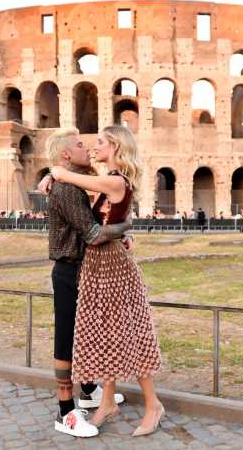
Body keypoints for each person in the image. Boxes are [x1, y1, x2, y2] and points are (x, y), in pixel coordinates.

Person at [49, 125, 164, 437]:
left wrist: (56, 172)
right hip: (99, 263)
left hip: (111, 264)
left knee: (124, 331)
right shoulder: (109, 180)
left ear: (114, 146)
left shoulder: (113, 180)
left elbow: (72, 180)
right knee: (107, 332)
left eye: (99, 142)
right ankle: (107, 402)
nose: (93, 147)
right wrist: (51, 175)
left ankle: (153, 404)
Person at [42, 128, 130, 438]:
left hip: (81, 268)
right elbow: (93, 234)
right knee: (66, 338)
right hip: (68, 271)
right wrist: (125, 227)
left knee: (87, 333)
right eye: (80, 145)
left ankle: (90, 390)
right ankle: (65, 411)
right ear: (66, 155)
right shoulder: (67, 191)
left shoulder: (70, 183)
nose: (88, 147)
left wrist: (51, 174)